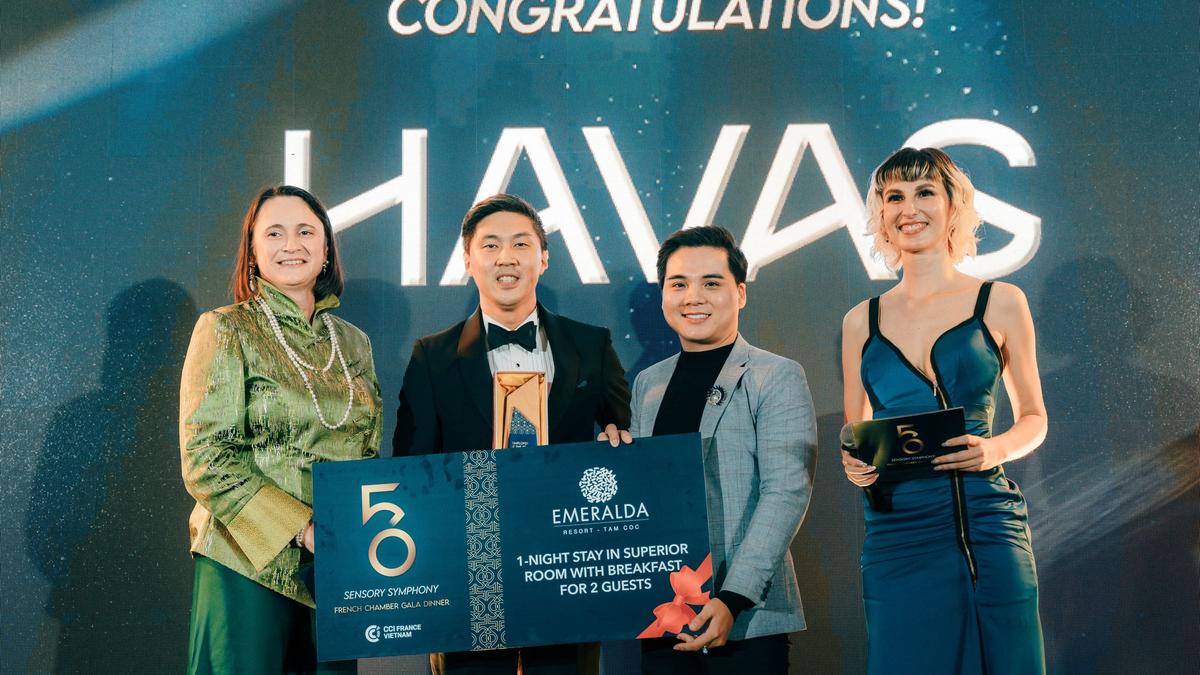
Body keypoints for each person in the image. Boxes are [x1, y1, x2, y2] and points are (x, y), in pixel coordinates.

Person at [394, 193, 632, 674]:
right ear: (468, 260)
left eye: (521, 244)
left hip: (569, 569)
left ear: (543, 258)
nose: (506, 257)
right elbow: (412, 473)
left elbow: (625, 436)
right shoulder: (432, 357)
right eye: (490, 245)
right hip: (469, 573)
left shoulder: (591, 345)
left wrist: (618, 441)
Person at [840, 147, 1048, 674]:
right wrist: (855, 463)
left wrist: (993, 450)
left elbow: (1034, 419)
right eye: (895, 197)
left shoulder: (1000, 301)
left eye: (925, 192)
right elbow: (854, 432)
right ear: (882, 213)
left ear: (953, 205)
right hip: (896, 536)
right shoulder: (860, 321)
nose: (909, 208)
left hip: (986, 525)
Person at [180, 185, 382, 674]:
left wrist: (360, 535)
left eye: (306, 231)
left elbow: (368, 456)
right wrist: (303, 529)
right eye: (274, 233)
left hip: (335, 567)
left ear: (326, 248)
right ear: (252, 251)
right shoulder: (226, 328)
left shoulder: (354, 343)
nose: (292, 244)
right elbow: (206, 459)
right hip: (244, 562)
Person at [631, 226, 817, 674]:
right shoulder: (647, 384)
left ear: (740, 293)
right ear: (663, 296)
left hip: (745, 619)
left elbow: (785, 493)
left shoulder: (776, 375)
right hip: (664, 618)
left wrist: (733, 598)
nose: (693, 297)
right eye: (679, 284)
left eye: (711, 283)